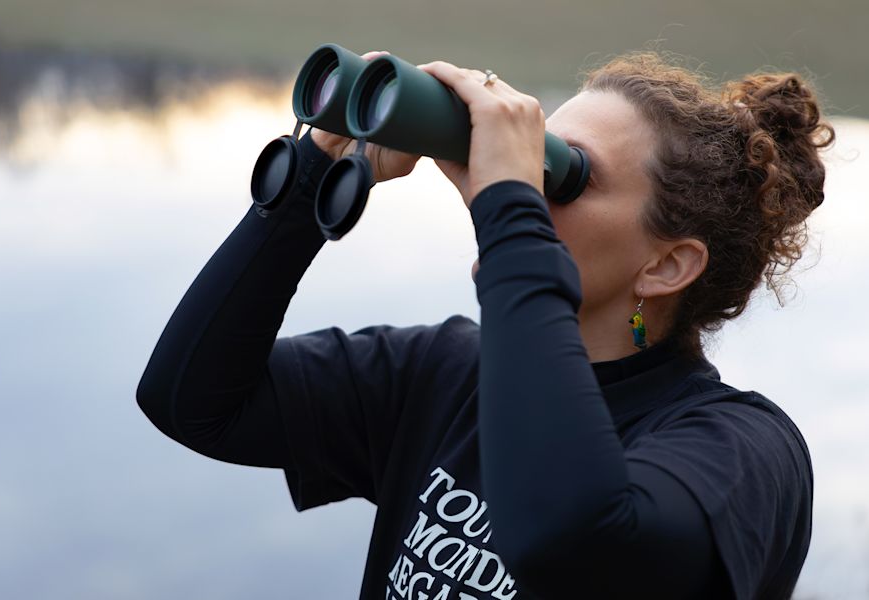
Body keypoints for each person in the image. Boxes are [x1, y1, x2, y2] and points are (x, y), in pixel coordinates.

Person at [136, 50, 834, 599]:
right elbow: (190, 402)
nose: (522, 187)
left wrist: (509, 212)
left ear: (666, 265)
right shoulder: (444, 373)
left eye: (563, 176)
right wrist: (309, 183)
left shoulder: (742, 453)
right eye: (534, 153)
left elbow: (566, 540)